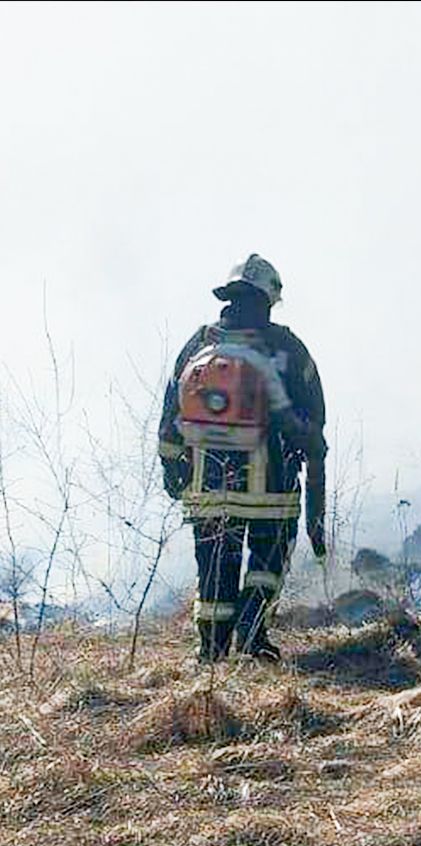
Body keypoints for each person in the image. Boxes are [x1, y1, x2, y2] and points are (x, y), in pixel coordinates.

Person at [158, 254, 327, 662]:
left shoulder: (200, 344)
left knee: (214, 569)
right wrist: (314, 492)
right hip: (272, 487)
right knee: (268, 561)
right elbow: (314, 420)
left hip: (208, 485)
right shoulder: (287, 347)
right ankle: (252, 633)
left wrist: (173, 469)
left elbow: (170, 414)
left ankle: (211, 653)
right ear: (269, 299)